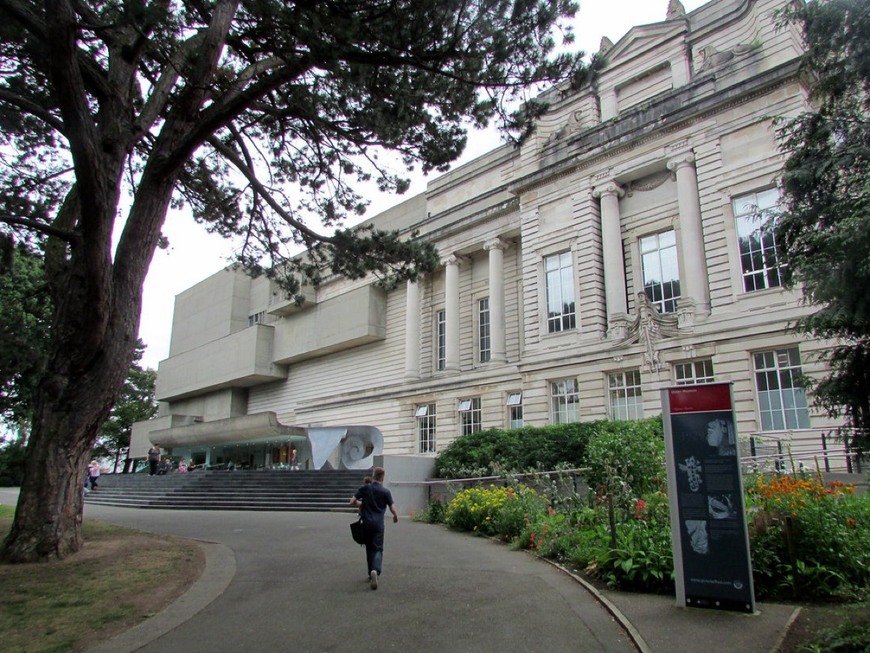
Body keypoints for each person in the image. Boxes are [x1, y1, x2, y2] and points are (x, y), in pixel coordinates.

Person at [349, 467, 398, 590]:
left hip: (366, 523)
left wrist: (362, 504)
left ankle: (370, 572)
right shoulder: (385, 492)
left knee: (369, 547)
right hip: (378, 524)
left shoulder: (365, 488)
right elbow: (392, 507)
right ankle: (375, 570)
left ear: (373, 476)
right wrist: (395, 516)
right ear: (382, 477)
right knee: (378, 549)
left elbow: (352, 501)